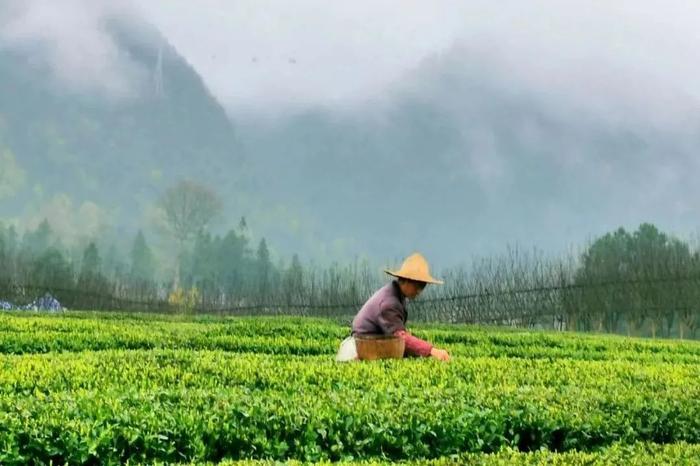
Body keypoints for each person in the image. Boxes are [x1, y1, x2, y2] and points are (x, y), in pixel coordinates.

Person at [336, 253, 450, 362]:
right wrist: (431, 350)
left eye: (423, 286)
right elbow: (400, 338)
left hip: (371, 348)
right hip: (361, 352)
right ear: (405, 280)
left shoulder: (396, 295)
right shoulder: (389, 303)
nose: (419, 290)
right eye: (418, 285)